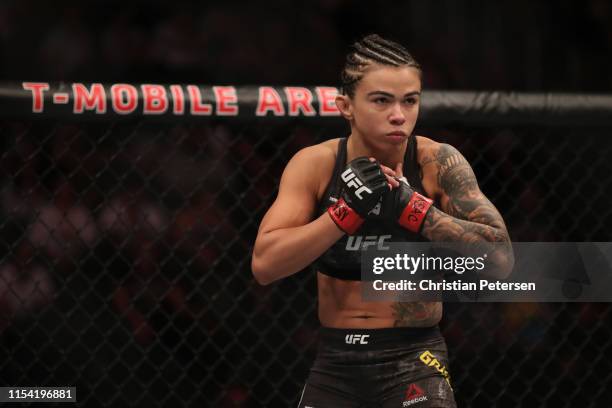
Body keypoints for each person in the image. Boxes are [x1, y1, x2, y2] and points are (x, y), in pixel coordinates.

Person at [252, 34, 513, 408]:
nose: (398, 114)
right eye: (381, 100)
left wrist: (416, 211)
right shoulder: (317, 164)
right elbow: (264, 265)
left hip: (415, 357)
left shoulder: (437, 163)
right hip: (336, 361)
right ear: (346, 106)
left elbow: (501, 262)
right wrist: (343, 215)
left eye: (410, 100)